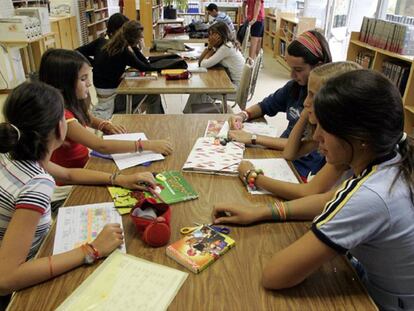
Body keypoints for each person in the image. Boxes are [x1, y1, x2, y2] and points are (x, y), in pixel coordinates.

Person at [215, 70, 414, 310]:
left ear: (360, 138)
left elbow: (275, 275)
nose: (317, 136)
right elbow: (329, 200)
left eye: (324, 128)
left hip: (380, 302)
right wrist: (260, 212)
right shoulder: (392, 153)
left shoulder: (371, 195)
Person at [0, 81, 157, 299]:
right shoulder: (36, 184)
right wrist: (92, 250)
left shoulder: (13, 153)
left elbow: (68, 174)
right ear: (59, 127)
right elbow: (6, 279)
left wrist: (119, 179)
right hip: (19, 279)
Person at [234, 62, 361, 204]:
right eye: (307, 94)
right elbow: (289, 153)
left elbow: (307, 192)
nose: (305, 101)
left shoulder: (341, 146)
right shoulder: (325, 131)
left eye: (312, 95)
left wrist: (253, 176)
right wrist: (305, 113)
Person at [229, 30, 332, 179]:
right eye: (290, 68)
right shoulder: (295, 87)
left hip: (299, 168)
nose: (292, 75)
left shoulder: (325, 103)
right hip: (280, 155)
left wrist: (253, 137)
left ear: (318, 66)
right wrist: (242, 115)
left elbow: (298, 147)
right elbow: (266, 105)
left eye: (298, 70)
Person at [78, 19, 163, 119]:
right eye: (140, 37)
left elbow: (77, 52)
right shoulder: (124, 52)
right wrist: (134, 47)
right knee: (154, 95)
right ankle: (156, 124)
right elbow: (146, 66)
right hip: (113, 101)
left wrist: (94, 63)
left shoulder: (101, 42)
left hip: (101, 98)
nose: (142, 37)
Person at [183, 22, 245, 113]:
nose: (210, 38)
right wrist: (210, 47)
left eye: (212, 35)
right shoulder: (227, 45)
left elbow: (202, 64)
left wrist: (210, 46)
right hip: (234, 84)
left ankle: (190, 115)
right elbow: (201, 62)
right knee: (199, 89)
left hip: (236, 90)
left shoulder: (226, 48)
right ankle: (190, 114)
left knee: (200, 89)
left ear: (220, 36)